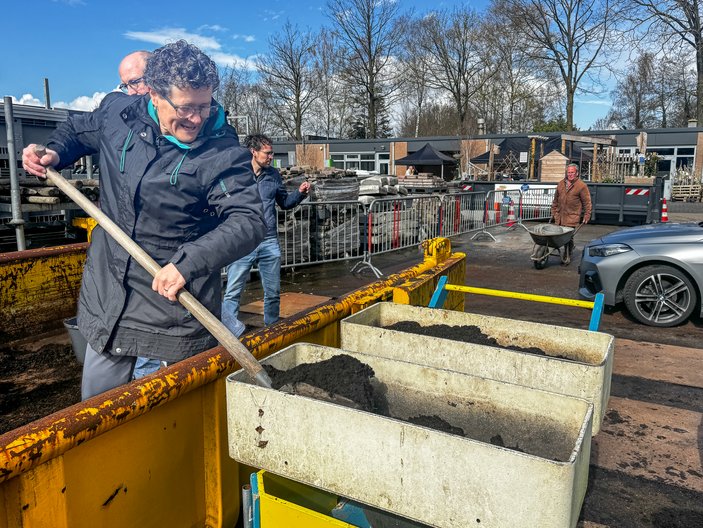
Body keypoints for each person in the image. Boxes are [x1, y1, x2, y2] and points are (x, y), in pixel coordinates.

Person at [22, 40, 266, 400]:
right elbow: (77, 130)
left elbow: (247, 220)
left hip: (173, 302)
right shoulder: (118, 114)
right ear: (154, 94)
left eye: (204, 105)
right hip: (108, 292)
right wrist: (55, 151)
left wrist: (187, 263)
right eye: (185, 107)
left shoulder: (222, 152)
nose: (197, 118)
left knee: (176, 410)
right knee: (99, 409)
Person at [221, 133, 311, 331]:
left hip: (268, 240)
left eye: (272, 153)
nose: (271, 157)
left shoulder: (273, 175)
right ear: (253, 152)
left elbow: (284, 202)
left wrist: (300, 194)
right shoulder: (236, 174)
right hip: (243, 240)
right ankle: (227, 334)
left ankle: (272, 330)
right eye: (267, 153)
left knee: (273, 292)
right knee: (233, 292)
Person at [550, 163, 592, 265]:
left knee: (568, 237)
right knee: (560, 236)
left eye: (572, 172)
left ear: (577, 173)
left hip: (572, 216)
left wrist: (587, 214)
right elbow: (555, 199)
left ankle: (567, 253)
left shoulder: (581, 186)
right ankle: (568, 248)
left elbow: (587, 202)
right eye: (568, 172)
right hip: (560, 215)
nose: (570, 174)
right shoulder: (561, 184)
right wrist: (553, 211)